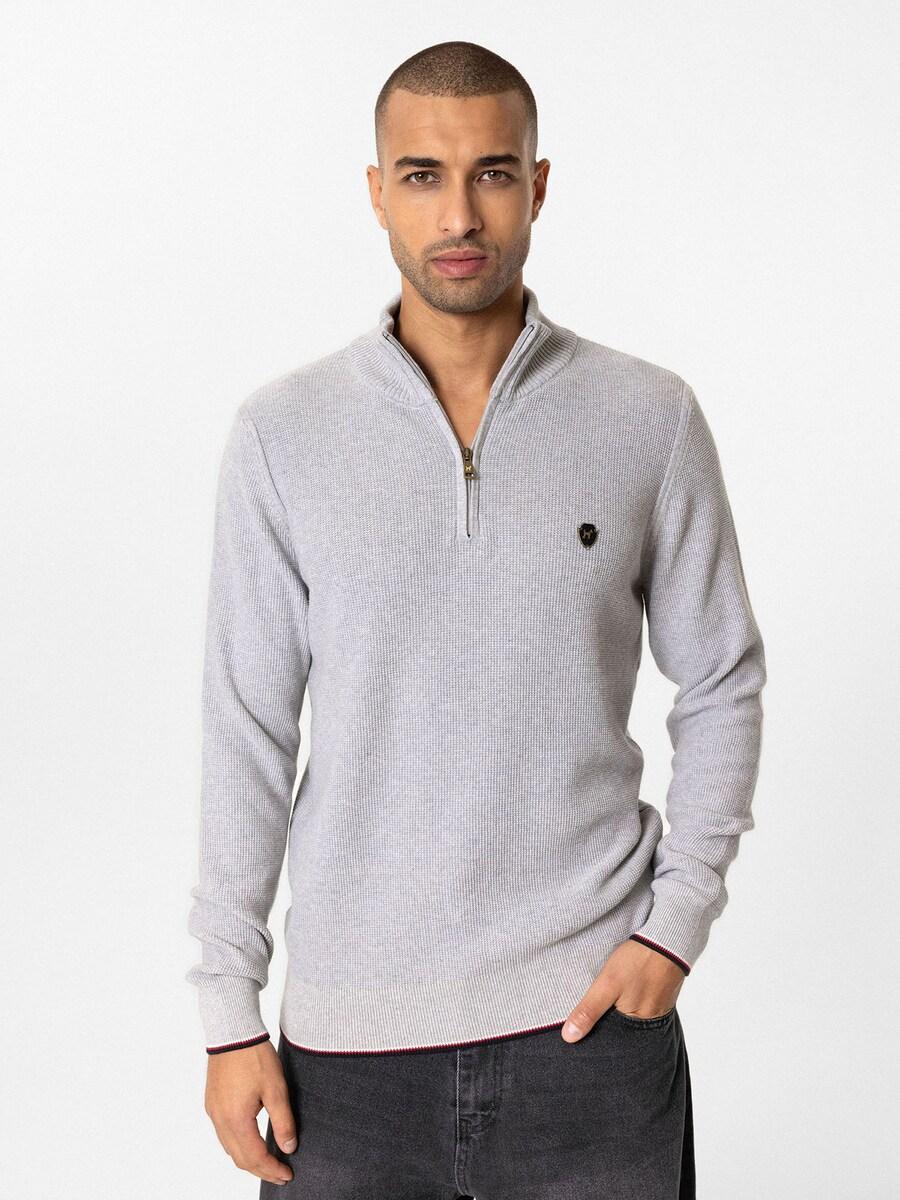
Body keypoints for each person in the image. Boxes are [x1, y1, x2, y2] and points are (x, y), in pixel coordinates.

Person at [185, 39, 766, 1199]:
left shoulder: (646, 417)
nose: (459, 214)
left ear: (537, 186)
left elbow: (723, 680)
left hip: (590, 1034)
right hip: (345, 1056)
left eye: (493, 173)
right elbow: (247, 728)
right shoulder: (284, 435)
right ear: (377, 192)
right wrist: (226, 1011)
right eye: (422, 175)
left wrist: (676, 924)